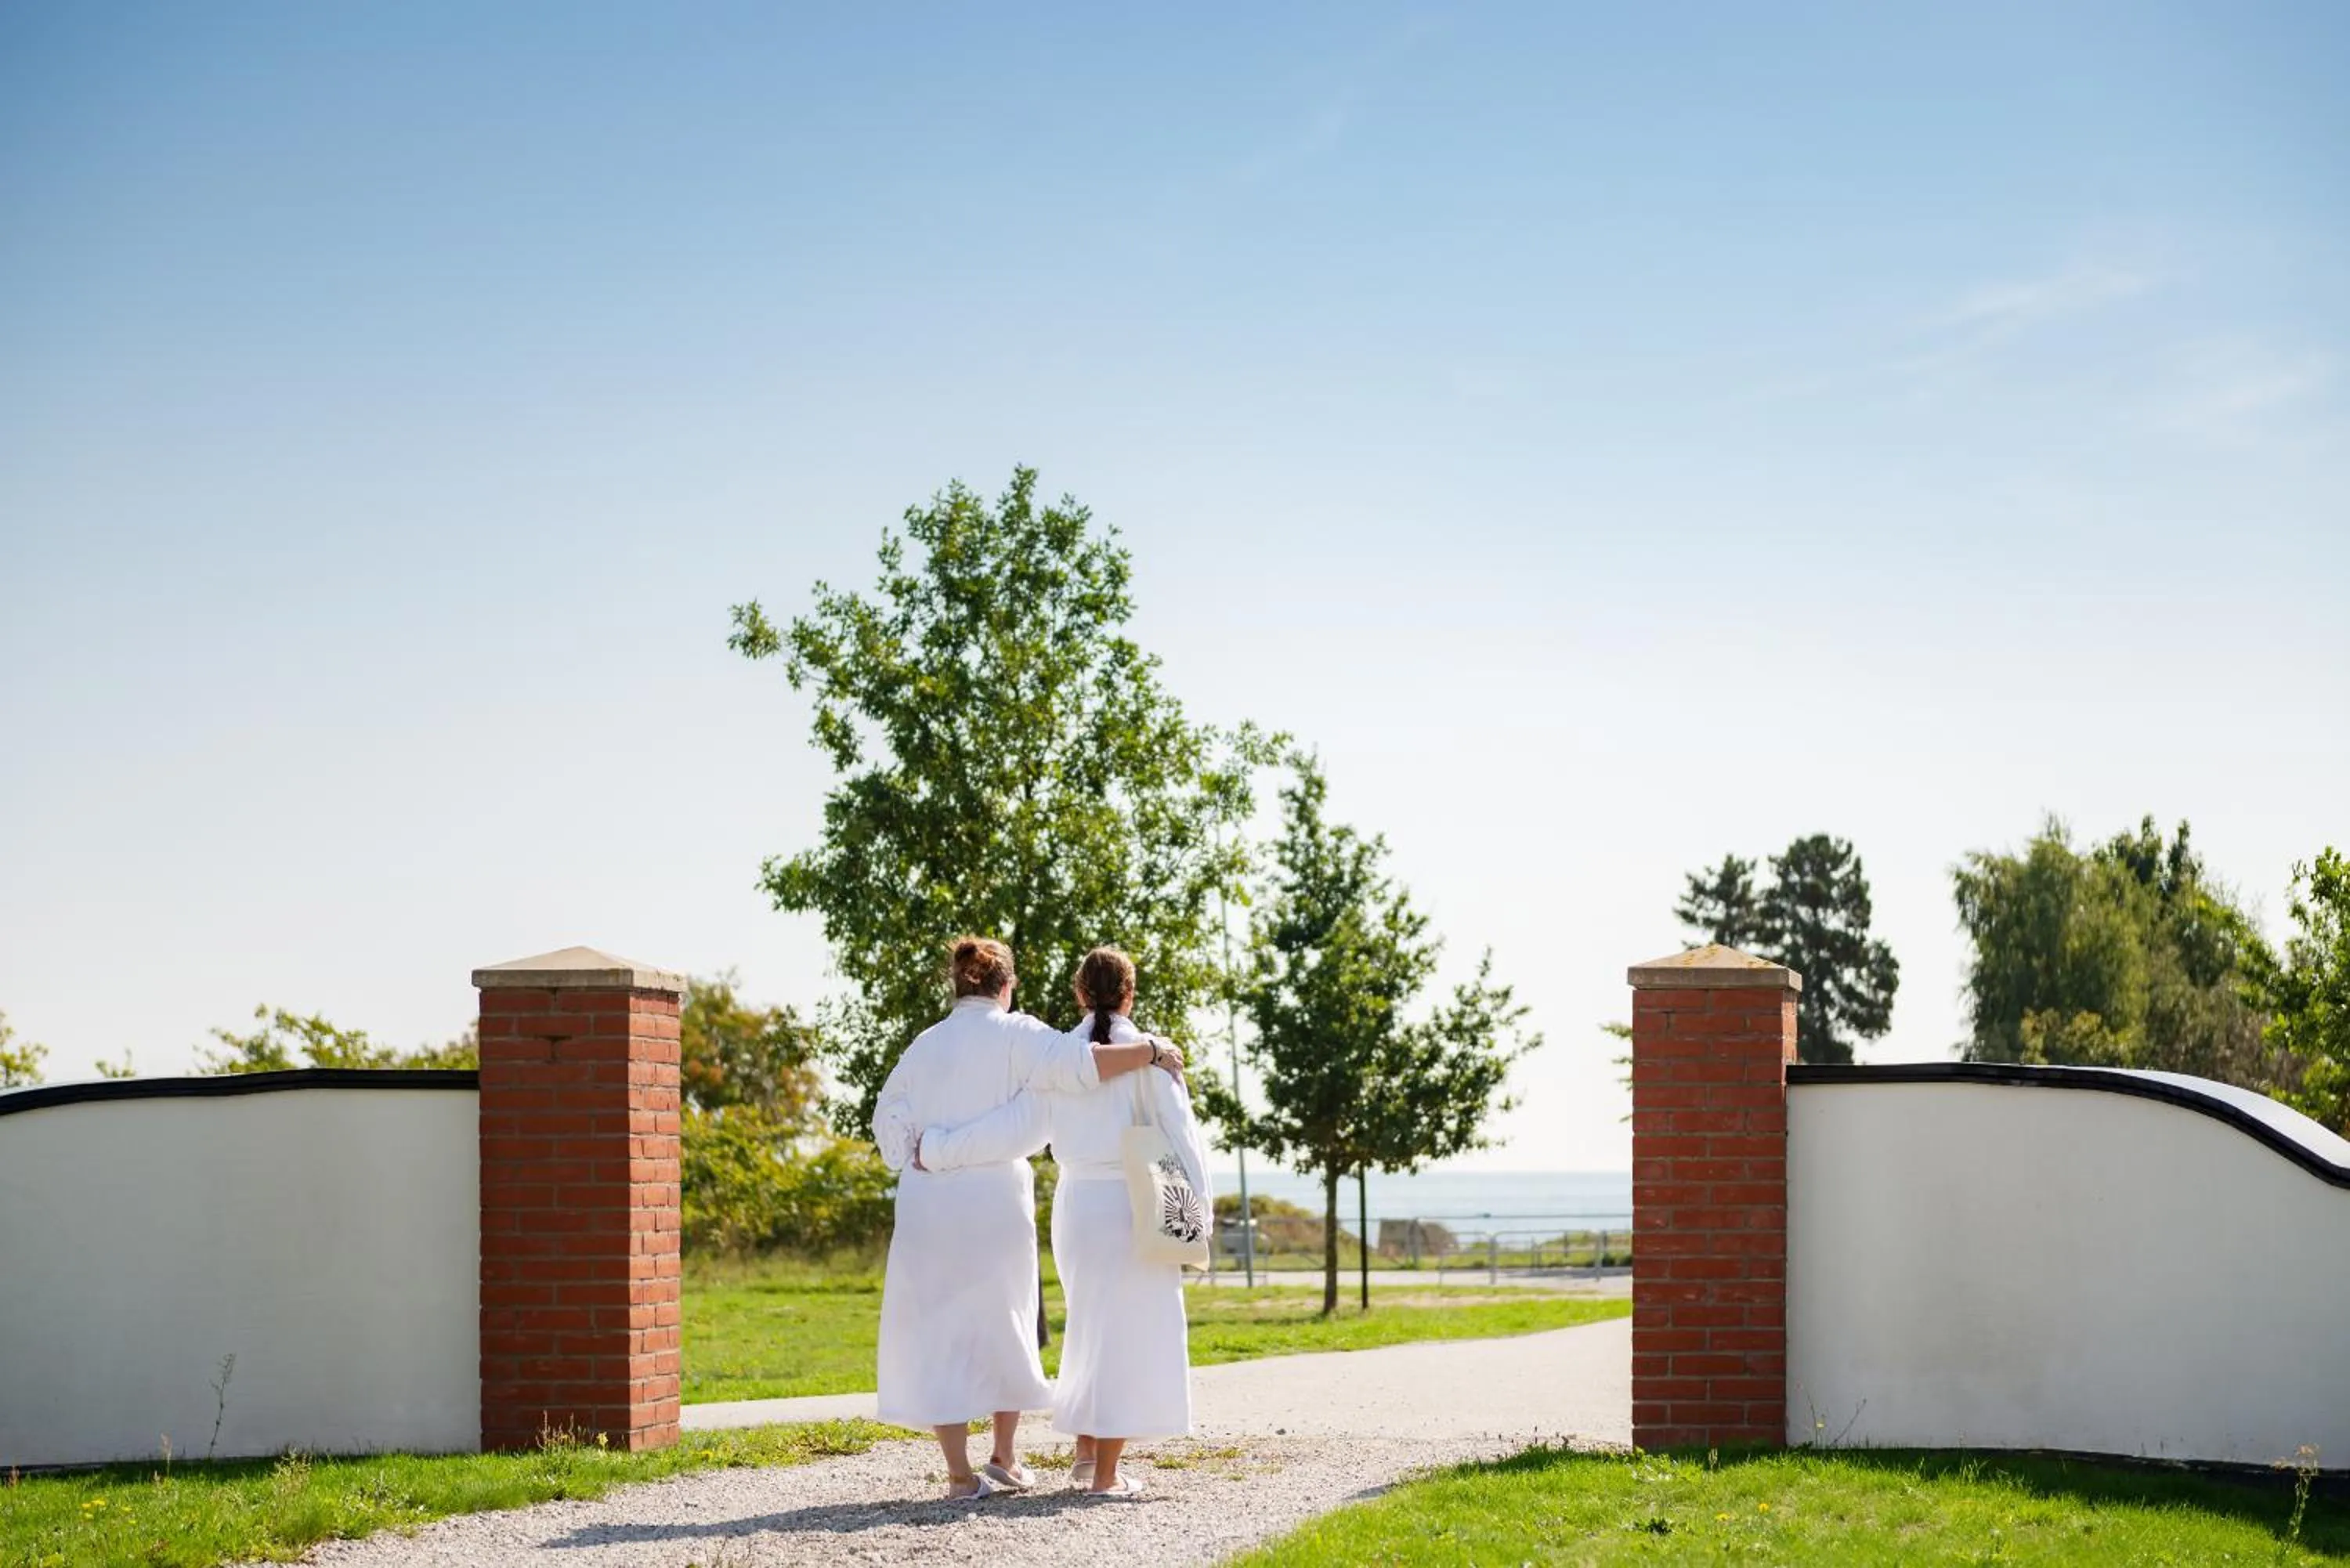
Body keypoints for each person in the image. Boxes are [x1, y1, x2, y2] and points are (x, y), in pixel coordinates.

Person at [870, 936, 1183, 1502]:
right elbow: (1084, 1067)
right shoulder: (1021, 1034)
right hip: (992, 1200)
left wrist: (929, 1150)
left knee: (941, 1329)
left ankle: (960, 1476)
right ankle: (1004, 1455)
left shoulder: (923, 1045)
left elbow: (889, 1127)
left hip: (924, 1205)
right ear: (1007, 987)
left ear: (957, 985)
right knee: (1004, 1324)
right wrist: (1152, 1050)